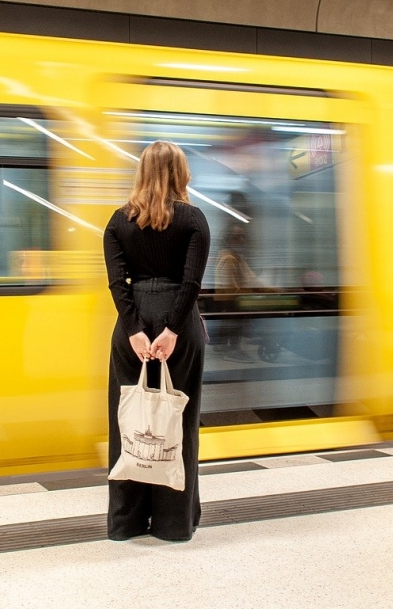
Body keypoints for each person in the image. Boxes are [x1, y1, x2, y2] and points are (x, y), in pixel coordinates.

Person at [102, 141, 211, 541]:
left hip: (130, 330)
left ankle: (126, 522)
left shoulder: (117, 222)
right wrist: (173, 331)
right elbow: (191, 283)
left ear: (142, 173)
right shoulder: (194, 219)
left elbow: (118, 283)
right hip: (179, 326)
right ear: (181, 173)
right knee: (178, 423)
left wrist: (134, 330)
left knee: (128, 422)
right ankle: (172, 523)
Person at [213, 222, 257, 363]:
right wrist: (250, 291)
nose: (242, 240)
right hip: (229, 302)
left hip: (234, 300)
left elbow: (251, 278)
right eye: (237, 237)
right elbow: (230, 288)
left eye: (243, 237)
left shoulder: (238, 258)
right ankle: (234, 350)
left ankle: (226, 344)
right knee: (237, 314)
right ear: (228, 239)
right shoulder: (228, 259)